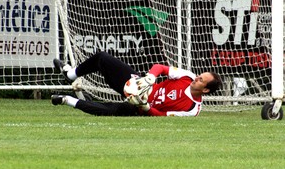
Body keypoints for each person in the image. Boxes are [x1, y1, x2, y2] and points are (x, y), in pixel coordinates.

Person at [51, 52, 222, 117]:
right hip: (140, 85)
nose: (196, 78)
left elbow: (162, 117)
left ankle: (68, 100)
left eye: (201, 80)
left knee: (110, 110)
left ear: (205, 90)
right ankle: (71, 74)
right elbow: (160, 67)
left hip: (141, 107)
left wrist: (145, 106)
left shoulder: (192, 109)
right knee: (102, 59)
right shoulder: (187, 76)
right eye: (199, 75)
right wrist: (150, 78)